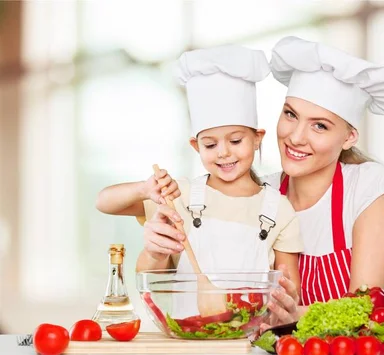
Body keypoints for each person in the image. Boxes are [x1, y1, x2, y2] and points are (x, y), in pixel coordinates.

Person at [95, 45, 303, 295]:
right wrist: (144, 189)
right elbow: (104, 202)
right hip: (185, 330)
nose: (223, 152)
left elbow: (290, 288)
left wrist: (285, 292)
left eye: (236, 141)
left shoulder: (279, 209)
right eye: (210, 144)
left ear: (257, 138)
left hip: (251, 333)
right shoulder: (178, 195)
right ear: (196, 146)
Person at [261, 36, 384, 323]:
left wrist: (293, 316)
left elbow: (365, 307)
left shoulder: (368, 185)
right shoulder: (261, 192)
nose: (296, 137)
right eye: (290, 114)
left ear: (349, 137)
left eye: (319, 125)